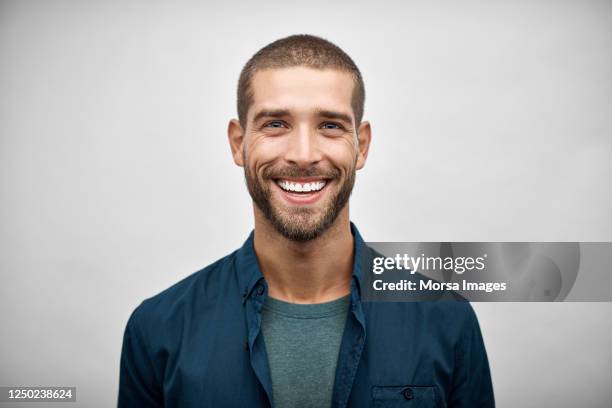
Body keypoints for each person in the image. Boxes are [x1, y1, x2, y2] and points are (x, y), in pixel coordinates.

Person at [118, 34, 495, 408]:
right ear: (238, 143)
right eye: (276, 124)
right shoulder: (157, 330)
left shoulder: (448, 321)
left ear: (361, 146)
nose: (303, 155)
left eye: (330, 125)